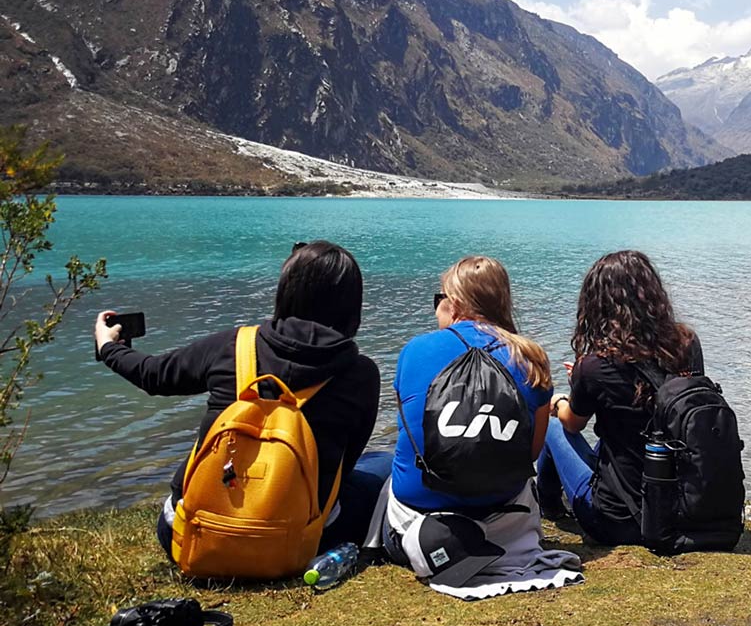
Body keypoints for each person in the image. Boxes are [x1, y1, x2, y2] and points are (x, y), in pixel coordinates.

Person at [95, 240, 386, 565]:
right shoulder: (361, 373)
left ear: (286, 289)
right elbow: (345, 465)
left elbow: (153, 375)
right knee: (381, 466)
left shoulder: (233, 345)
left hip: (190, 535)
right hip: (301, 543)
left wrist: (109, 348)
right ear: (352, 305)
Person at [385, 256, 553, 565]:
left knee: (381, 466)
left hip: (421, 527)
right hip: (504, 520)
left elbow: (409, 435)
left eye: (440, 299)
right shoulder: (531, 358)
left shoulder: (415, 350)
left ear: (456, 304)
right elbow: (529, 452)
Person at [537, 250, 704, 546]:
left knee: (552, 427)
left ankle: (549, 505)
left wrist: (564, 397)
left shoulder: (594, 366)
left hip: (618, 521)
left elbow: (573, 424)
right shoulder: (686, 344)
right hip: (682, 511)